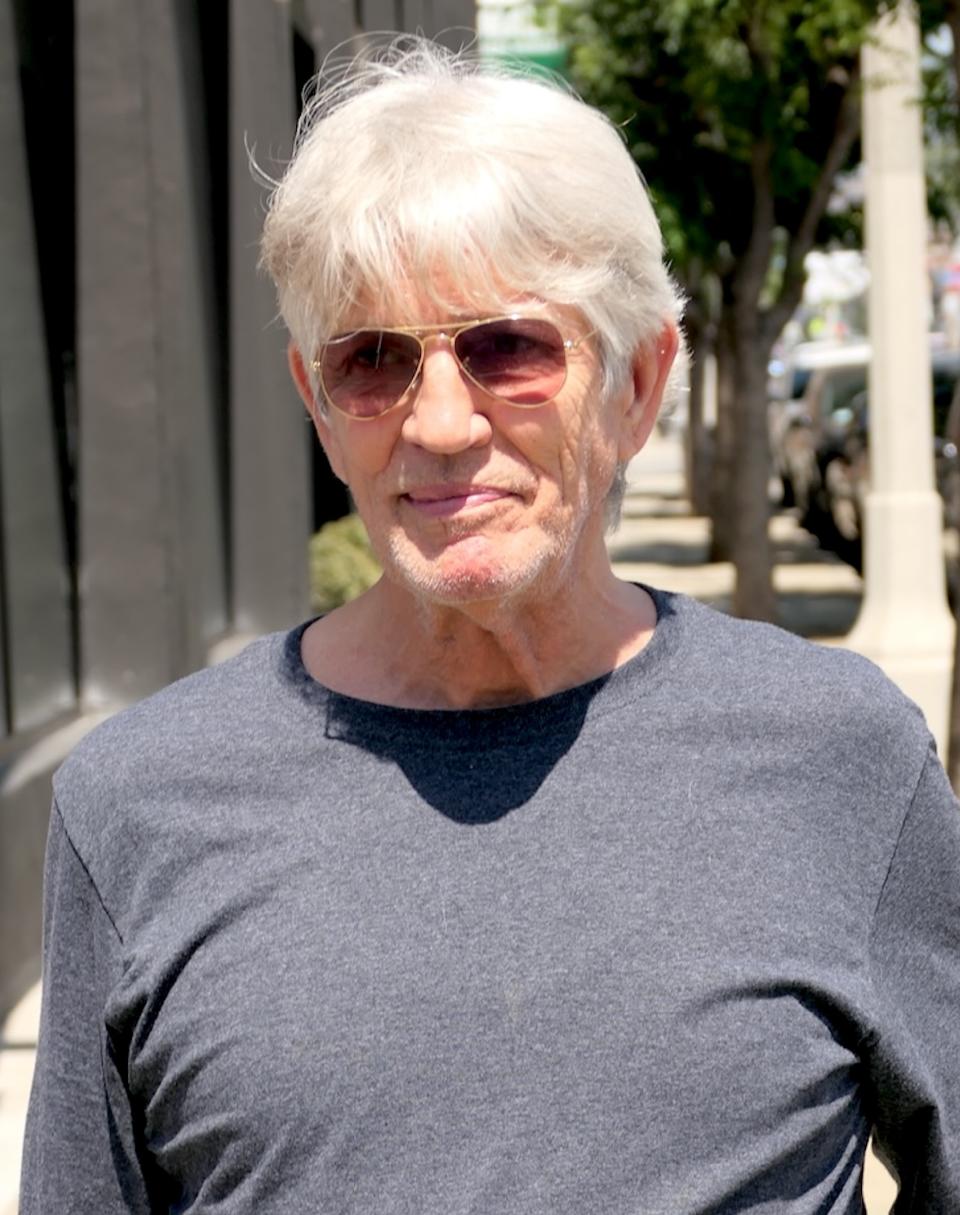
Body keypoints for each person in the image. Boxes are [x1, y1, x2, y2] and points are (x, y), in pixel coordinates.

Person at [21, 37, 960, 1214]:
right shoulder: (137, 804)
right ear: (318, 405)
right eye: (374, 360)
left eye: (508, 347)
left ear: (636, 383)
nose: (444, 422)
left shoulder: (843, 762)